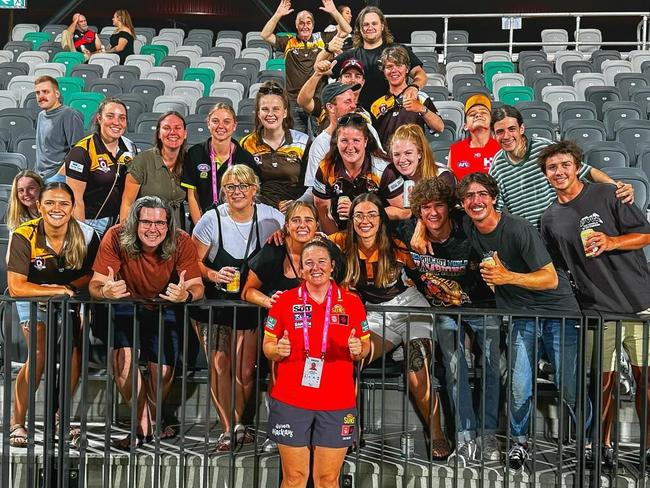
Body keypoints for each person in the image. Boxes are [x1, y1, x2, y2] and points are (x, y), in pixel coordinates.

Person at [459, 172, 591, 471]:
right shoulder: (469, 225)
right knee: (519, 386)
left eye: (481, 194)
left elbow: (549, 277)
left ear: (494, 198)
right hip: (521, 315)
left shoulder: (518, 228)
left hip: (558, 313)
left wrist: (507, 278)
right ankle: (520, 443)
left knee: (569, 387)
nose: (475, 201)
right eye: (468, 196)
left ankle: (587, 443)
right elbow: (432, 213)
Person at [539, 140, 650, 468]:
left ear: (577, 167)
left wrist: (612, 241)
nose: (559, 172)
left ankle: (647, 446)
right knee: (603, 383)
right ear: (545, 174)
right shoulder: (549, 219)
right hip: (597, 310)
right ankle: (603, 447)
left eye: (564, 165)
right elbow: (559, 268)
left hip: (640, 302)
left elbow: (645, 234)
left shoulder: (608, 194)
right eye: (552, 168)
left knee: (646, 380)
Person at [328, 193, 449, 459]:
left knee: (417, 370)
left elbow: (427, 218)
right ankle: (350, 427)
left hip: (409, 307)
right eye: (359, 215)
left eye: (372, 214)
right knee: (351, 358)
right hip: (374, 313)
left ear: (382, 219)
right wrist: (280, 234)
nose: (365, 220)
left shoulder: (397, 243)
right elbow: (309, 239)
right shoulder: (340, 243)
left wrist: (418, 226)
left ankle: (437, 431)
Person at [398, 178, 501, 465]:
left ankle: (488, 434)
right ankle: (466, 436)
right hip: (444, 312)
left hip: (484, 306)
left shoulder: (466, 225)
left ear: (450, 207)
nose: (433, 213)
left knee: (492, 368)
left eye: (439, 206)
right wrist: (417, 223)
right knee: (455, 370)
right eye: (425, 208)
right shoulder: (409, 231)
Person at [88, 196, 204, 448]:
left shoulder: (182, 240)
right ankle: (141, 425)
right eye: (147, 222)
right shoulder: (115, 236)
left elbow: (197, 286)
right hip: (125, 303)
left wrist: (186, 295)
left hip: (165, 305)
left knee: (163, 371)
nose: (153, 229)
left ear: (168, 224)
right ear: (134, 223)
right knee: (124, 361)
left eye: (160, 223)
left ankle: (151, 420)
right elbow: (95, 284)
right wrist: (106, 292)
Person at [190, 165, 284, 451]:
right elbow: (192, 262)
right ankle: (229, 428)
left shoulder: (271, 217)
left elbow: (297, 232)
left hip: (248, 302)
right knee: (220, 366)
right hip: (215, 303)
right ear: (223, 191)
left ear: (255, 189)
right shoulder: (211, 219)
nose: (237, 192)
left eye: (243, 186)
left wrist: (283, 235)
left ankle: (241, 423)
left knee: (244, 371)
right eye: (230, 186)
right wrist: (213, 275)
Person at [263, 239, 370, 487]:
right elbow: (268, 346)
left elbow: (364, 346)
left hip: (337, 402)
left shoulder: (352, 302)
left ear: (332, 265)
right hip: (291, 400)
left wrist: (359, 349)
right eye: (308, 263)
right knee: (294, 479)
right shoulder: (284, 302)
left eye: (321, 261)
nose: (315, 267)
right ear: (301, 270)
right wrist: (277, 350)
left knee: (327, 479)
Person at [6, 182, 99, 448]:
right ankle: (17, 422)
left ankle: (61, 418)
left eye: (63, 203)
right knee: (38, 354)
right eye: (49, 203)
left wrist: (68, 289)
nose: (56, 209)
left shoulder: (87, 234)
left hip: (72, 297)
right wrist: (58, 289)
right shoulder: (24, 234)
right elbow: (17, 286)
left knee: (74, 353)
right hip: (32, 298)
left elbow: (93, 273)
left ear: (72, 208)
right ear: (39, 206)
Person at [489, 104, 633, 229]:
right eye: (500, 132)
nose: (506, 136)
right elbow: (495, 208)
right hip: (532, 239)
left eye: (511, 129)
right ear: (494, 135)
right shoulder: (496, 166)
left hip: (563, 227)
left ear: (521, 129)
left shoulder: (544, 147)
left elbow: (587, 172)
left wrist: (617, 188)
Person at [319, 6, 427, 111]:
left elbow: (420, 74)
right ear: (360, 29)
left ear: (382, 26)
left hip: (393, 114)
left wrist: (414, 87)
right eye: (365, 25)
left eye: (374, 23)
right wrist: (328, 49)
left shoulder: (399, 50)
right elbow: (319, 68)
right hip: (360, 118)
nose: (370, 27)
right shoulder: (349, 55)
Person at [312, 112, 406, 233]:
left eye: (356, 140)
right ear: (336, 141)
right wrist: (337, 243)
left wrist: (359, 211)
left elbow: (405, 211)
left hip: (381, 235)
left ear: (365, 141)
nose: (350, 147)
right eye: (344, 140)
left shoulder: (384, 169)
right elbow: (323, 213)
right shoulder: (326, 168)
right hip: (343, 233)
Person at [260, 0, 351, 109]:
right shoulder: (288, 40)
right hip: (294, 102)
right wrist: (278, 14)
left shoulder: (322, 38)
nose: (305, 26)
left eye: (308, 23)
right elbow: (265, 35)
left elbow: (347, 30)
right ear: (296, 25)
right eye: (301, 23)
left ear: (313, 26)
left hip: (317, 101)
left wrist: (334, 11)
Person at [64, 98, 136, 236]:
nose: (116, 122)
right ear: (99, 118)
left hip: (120, 221)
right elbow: (75, 200)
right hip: (91, 223)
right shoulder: (81, 151)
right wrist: (81, 234)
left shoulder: (130, 147)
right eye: (110, 116)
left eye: (122, 118)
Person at [181, 103, 258, 224]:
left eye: (226, 122)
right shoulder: (195, 153)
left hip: (236, 223)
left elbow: (250, 198)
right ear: (208, 124)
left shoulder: (245, 159)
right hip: (203, 221)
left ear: (234, 126)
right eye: (215, 121)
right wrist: (200, 227)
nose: (220, 126)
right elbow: (192, 196)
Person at [239, 82, 309, 210]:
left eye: (276, 109)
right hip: (259, 210)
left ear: (285, 112)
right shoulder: (246, 144)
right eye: (265, 109)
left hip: (296, 210)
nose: (270, 114)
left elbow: (310, 186)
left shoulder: (303, 141)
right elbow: (243, 186)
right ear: (258, 113)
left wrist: (296, 205)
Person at [119, 111, 188, 228]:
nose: (173, 132)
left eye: (178, 128)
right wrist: (126, 235)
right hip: (147, 231)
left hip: (176, 232)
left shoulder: (189, 161)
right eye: (166, 128)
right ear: (159, 134)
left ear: (185, 134)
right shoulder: (142, 161)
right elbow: (127, 203)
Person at [370, 45, 444, 147]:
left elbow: (440, 127)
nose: (394, 70)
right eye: (389, 66)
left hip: (413, 158)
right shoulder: (377, 104)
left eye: (399, 65)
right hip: (384, 160)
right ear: (384, 71)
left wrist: (421, 109)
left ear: (407, 69)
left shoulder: (420, 97)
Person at [389, 124, 455, 209]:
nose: (402, 160)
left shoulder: (443, 177)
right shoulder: (392, 176)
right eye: (396, 154)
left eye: (408, 153)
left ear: (420, 153)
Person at [34, 76, 84, 183]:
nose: (41, 96)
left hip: (58, 178)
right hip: (40, 177)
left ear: (57, 94)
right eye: (38, 93)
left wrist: (60, 174)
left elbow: (79, 151)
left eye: (45, 92)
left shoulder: (69, 114)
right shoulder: (41, 115)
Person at [448, 94, 500, 181]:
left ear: (491, 121)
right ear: (465, 126)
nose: (478, 115)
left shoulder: (501, 147)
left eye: (483, 112)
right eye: (472, 114)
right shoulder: (456, 150)